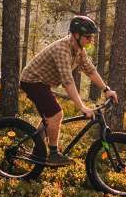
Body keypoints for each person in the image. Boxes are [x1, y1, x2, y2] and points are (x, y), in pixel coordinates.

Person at [19, 15, 119, 166]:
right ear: (76, 35)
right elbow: (68, 82)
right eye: (88, 37)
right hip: (32, 81)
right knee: (56, 115)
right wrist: (82, 107)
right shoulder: (62, 49)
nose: (91, 40)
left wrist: (106, 89)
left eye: (92, 37)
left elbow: (90, 70)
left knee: (49, 119)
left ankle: (37, 152)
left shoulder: (79, 49)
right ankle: (53, 155)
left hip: (43, 83)